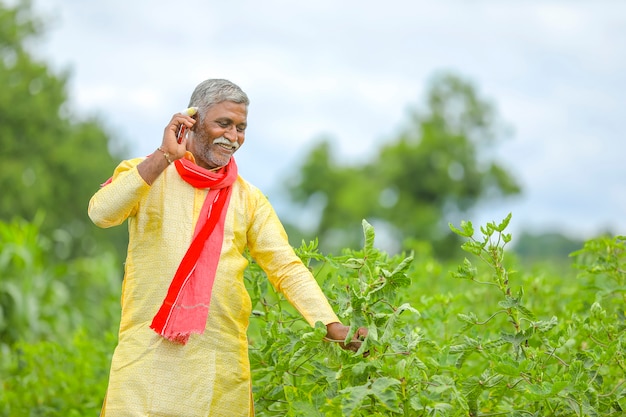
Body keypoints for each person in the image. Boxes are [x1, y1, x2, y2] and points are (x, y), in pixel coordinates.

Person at [88, 78, 367, 416]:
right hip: (146, 360)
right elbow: (101, 213)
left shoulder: (248, 199)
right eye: (224, 123)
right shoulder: (148, 173)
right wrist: (163, 156)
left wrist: (329, 324)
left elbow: (286, 267)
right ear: (190, 121)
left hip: (218, 369)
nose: (233, 137)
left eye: (241, 127)